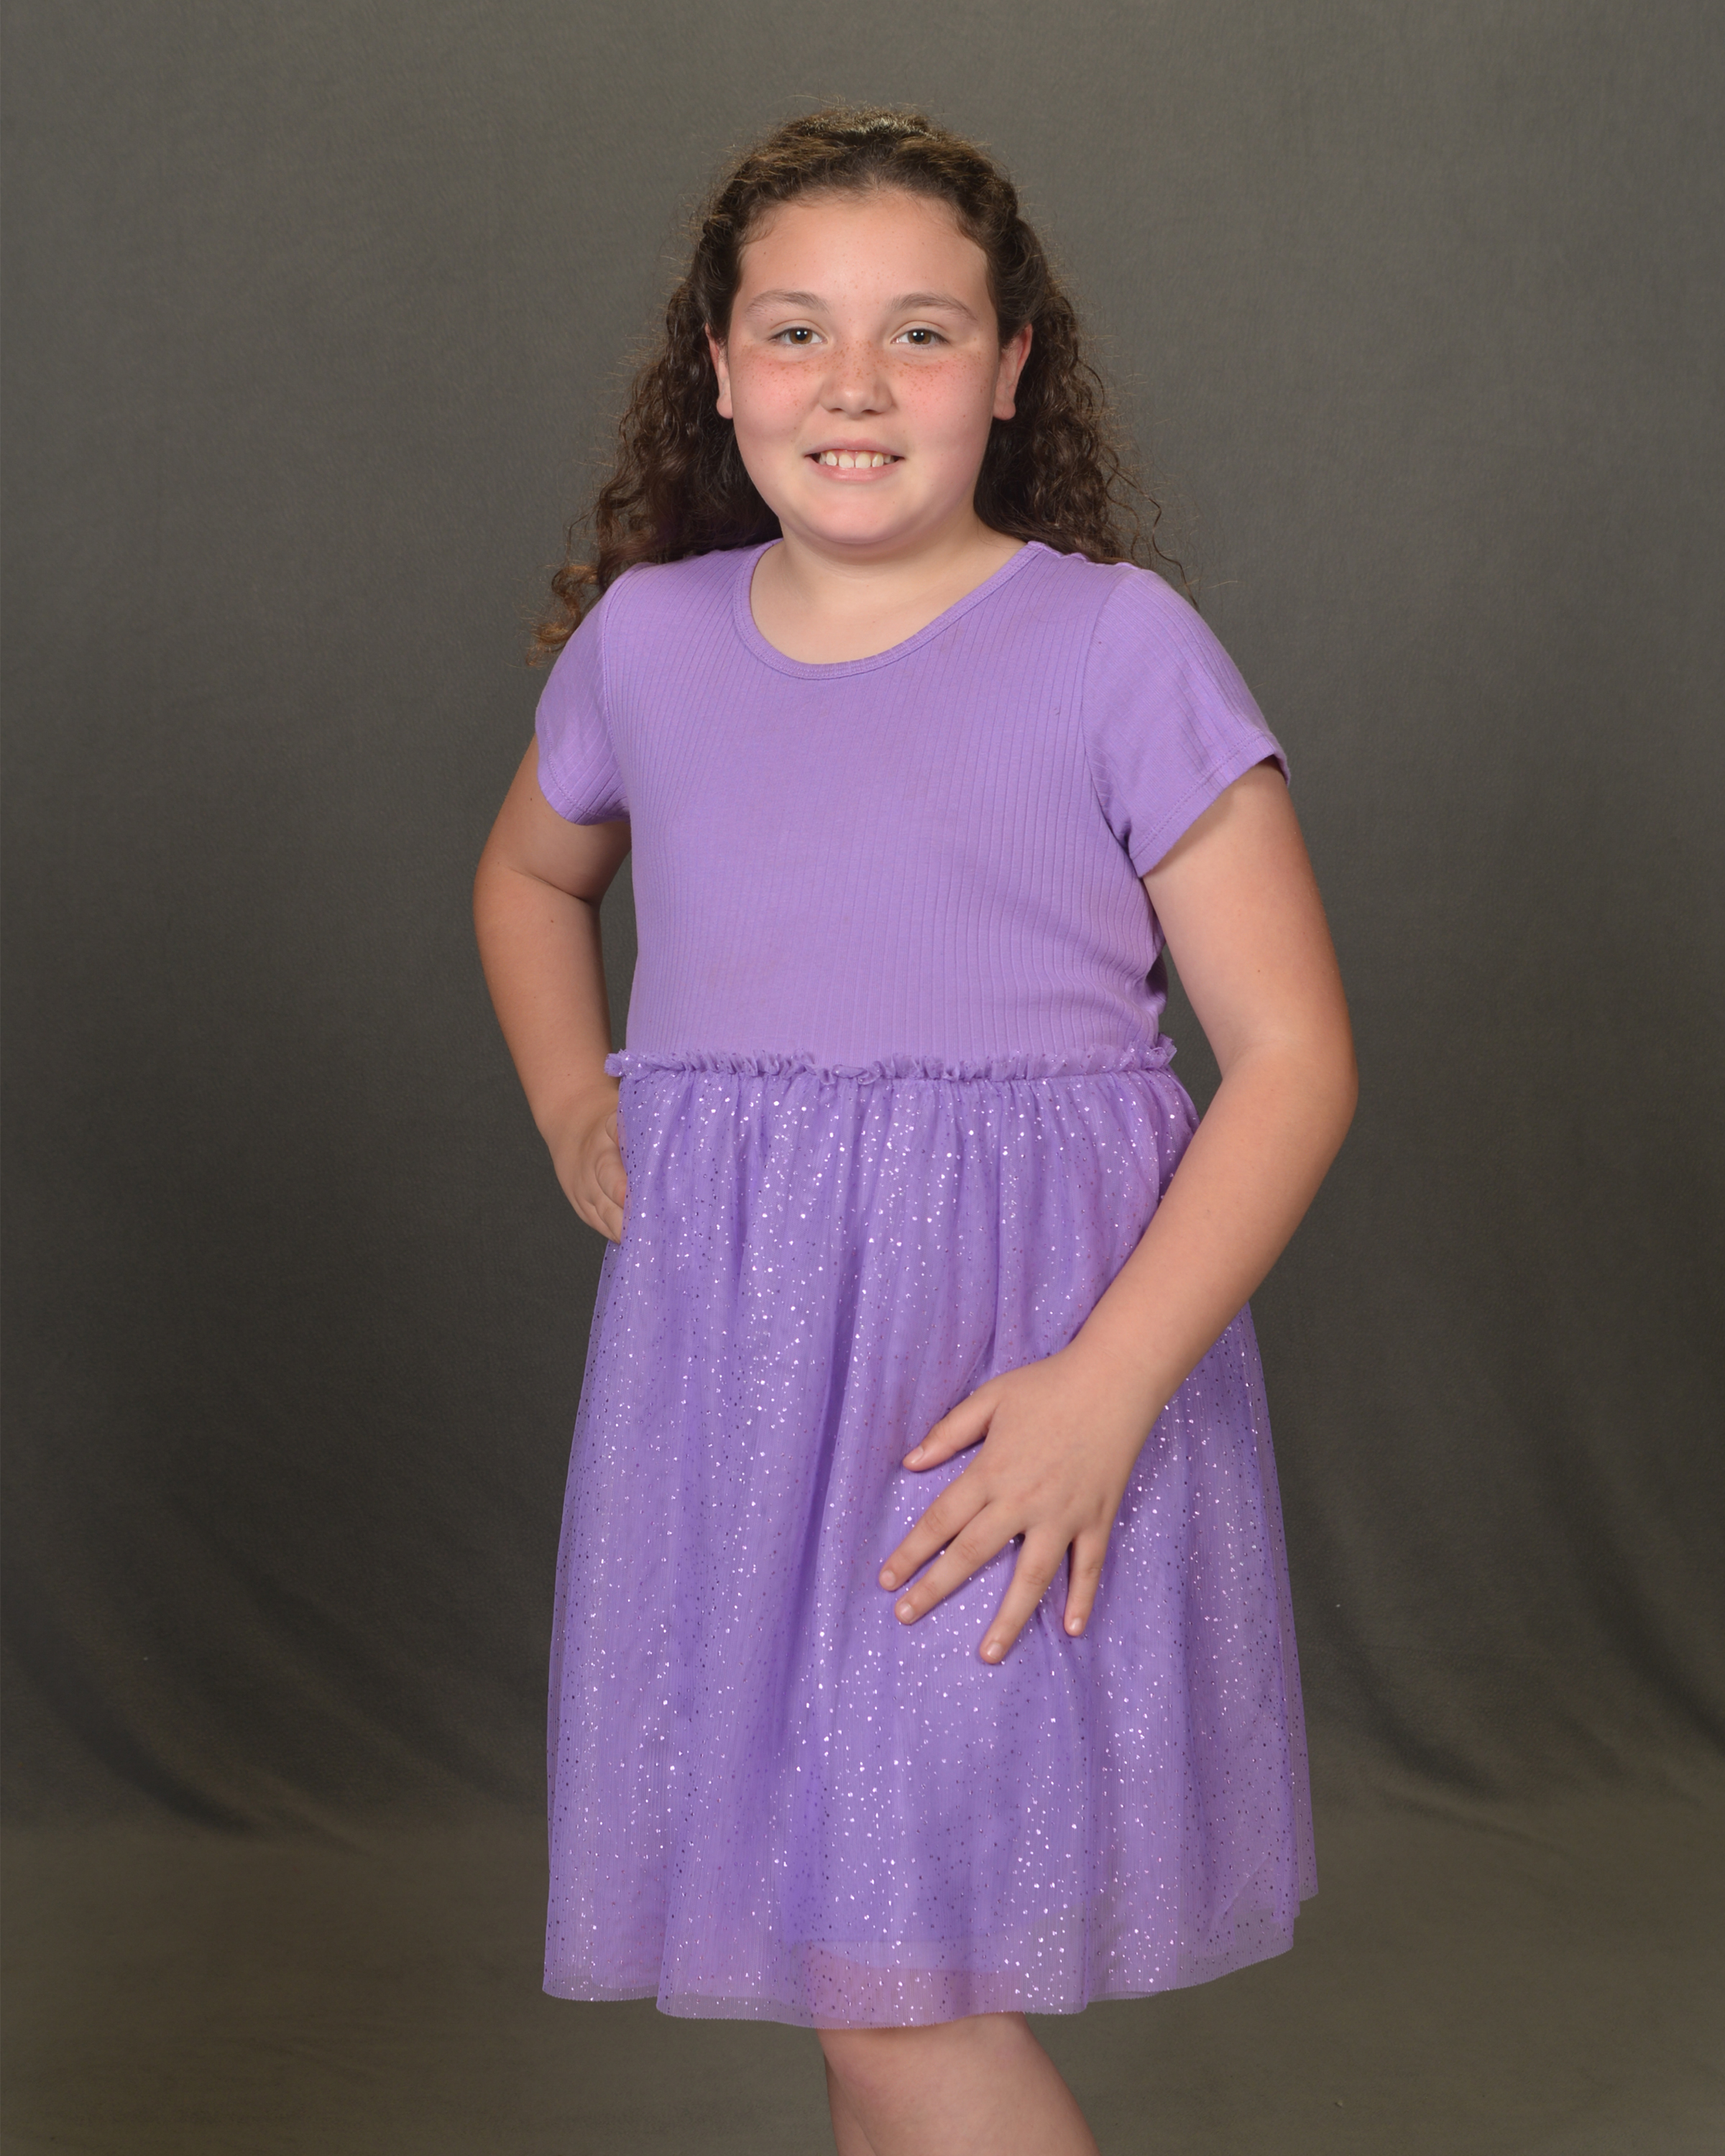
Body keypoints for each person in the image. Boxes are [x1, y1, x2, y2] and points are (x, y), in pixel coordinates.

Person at [474, 105, 1357, 2156]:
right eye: (796, 331)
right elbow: (527, 876)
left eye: (922, 333)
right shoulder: (650, 644)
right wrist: (575, 1099)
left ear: (1013, 366)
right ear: (718, 369)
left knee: (895, 1986)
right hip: (744, 1397)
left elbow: (1297, 1055)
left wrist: (1104, 1393)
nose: (852, 386)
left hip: (1015, 1395)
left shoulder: (1115, 651)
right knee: (855, 1965)